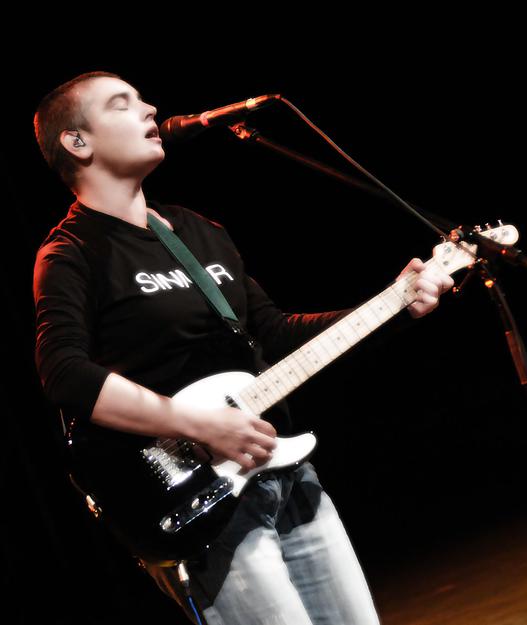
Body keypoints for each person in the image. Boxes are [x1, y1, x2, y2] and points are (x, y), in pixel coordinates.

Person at [32, 71, 453, 624]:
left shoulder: (199, 232)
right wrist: (199, 425)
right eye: (122, 104)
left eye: (143, 99)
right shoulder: (71, 253)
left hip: (285, 472)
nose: (150, 108)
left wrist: (393, 303)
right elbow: (64, 372)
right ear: (77, 141)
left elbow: (273, 335)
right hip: (197, 501)